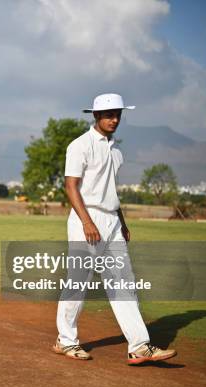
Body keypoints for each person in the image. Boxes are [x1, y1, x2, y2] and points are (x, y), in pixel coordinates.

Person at [52, 93, 177, 365]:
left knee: (124, 284)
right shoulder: (79, 145)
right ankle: (66, 339)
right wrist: (87, 222)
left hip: (111, 222)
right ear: (96, 116)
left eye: (118, 114)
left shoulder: (116, 151)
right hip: (86, 219)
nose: (115, 119)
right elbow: (70, 186)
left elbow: (111, 190)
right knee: (78, 282)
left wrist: (121, 220)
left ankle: (139, 346)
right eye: (109, 114)